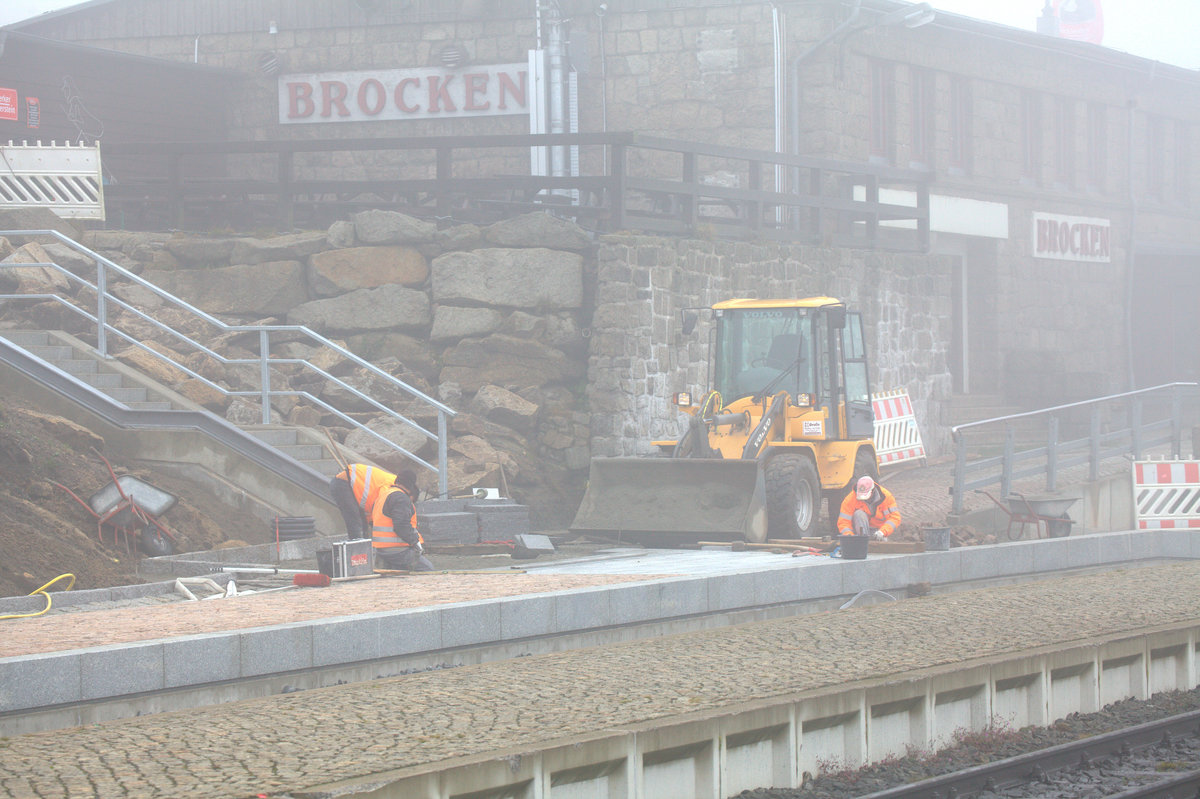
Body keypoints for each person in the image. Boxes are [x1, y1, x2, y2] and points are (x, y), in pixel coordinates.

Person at [370, 468, 434, 571]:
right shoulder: (400, 498)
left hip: (380, 549)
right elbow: (401, 525)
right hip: (397, 550)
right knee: (427, 569)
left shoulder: (384, 495)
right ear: (411, 485)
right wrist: (415, 542)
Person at [329, 463, 396, 540]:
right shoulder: (392, 487)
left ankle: (362, 547)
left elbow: (375, 508)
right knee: (354, 521)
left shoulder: (394, 484)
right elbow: (380, 508)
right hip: (343, 483)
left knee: (362, 524)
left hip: (350, 485)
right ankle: (357, 548)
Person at [836, 475, 901, 540]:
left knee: (882, 544)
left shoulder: (886, 497)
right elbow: (843, 522)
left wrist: (883, 532)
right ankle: (862, 540)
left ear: (873, 490)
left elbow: (894, 518)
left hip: (878, 531)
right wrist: (849, 536)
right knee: (859, 514)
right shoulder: (850, 499)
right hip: (858, 531)